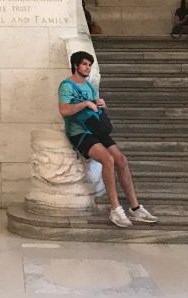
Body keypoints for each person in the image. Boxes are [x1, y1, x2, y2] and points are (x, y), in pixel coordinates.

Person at [58, 50, 158, 228]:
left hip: (95, 128)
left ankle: (135, 208)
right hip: (79, 132)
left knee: (121, 160)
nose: (88, 68)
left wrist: (102, 105)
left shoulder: (89, 87)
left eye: (89, 65)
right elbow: (64, 110)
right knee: (108, 159)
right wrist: (84, 104)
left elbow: (96, 108)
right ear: (75, 65)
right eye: (84, 64)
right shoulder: (67, 85)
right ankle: (115, 209)